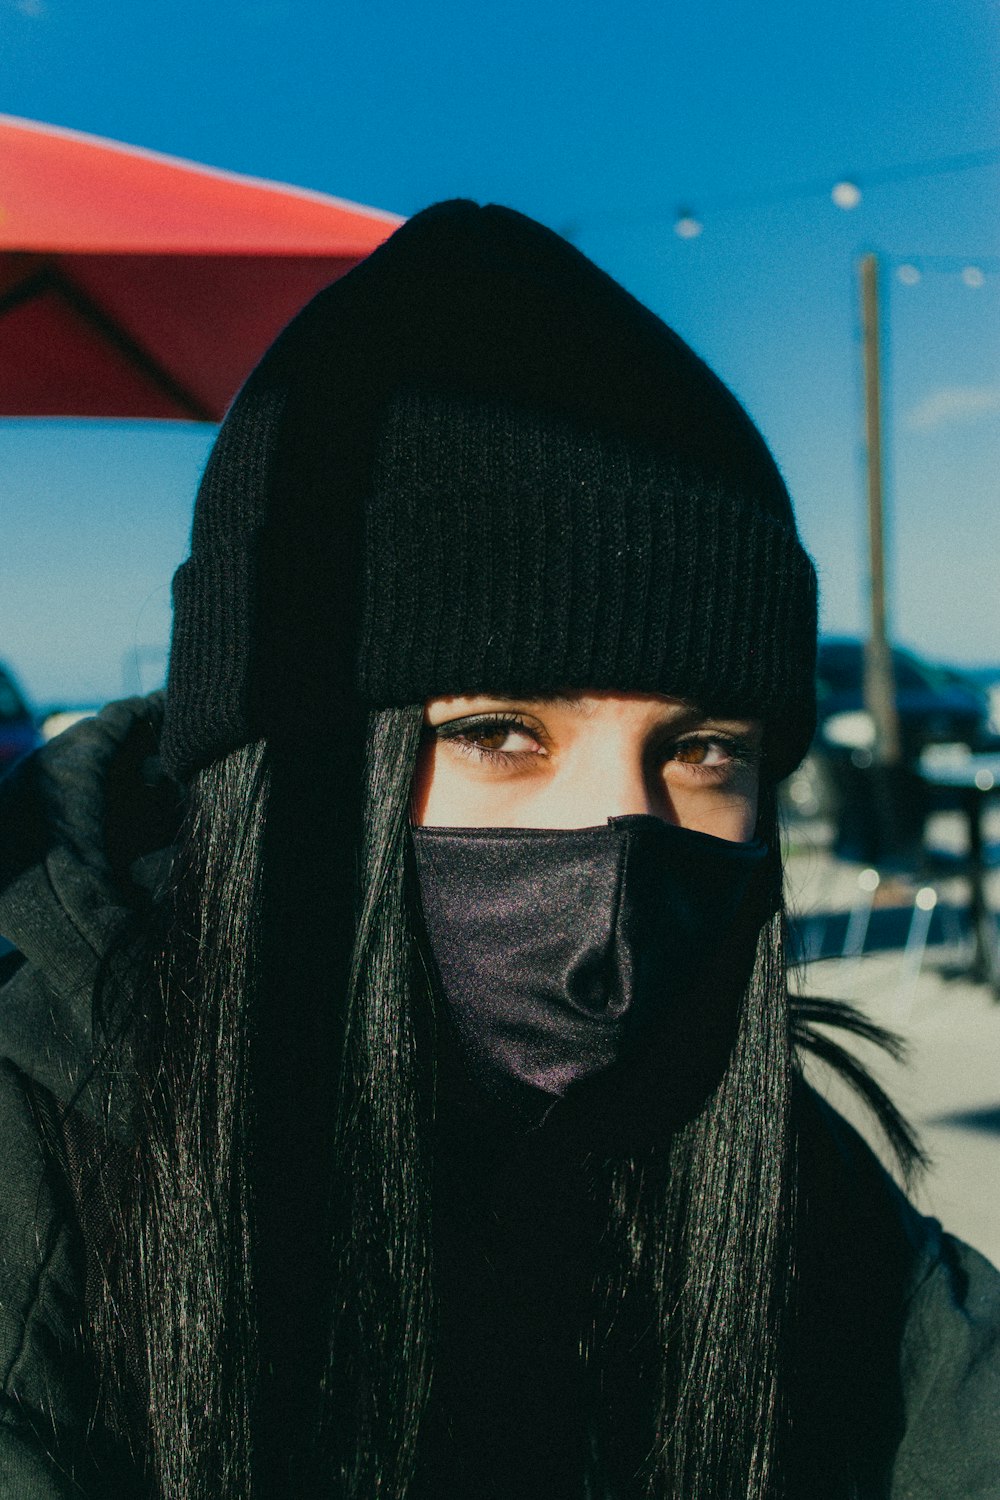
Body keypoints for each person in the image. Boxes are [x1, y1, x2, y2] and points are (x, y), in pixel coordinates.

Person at [0, 200, 997, 1500]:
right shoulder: (41, 1176)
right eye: (497, 730)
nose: (613, 875)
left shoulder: (737, 1140)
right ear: (284, 778)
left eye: (702, 753)